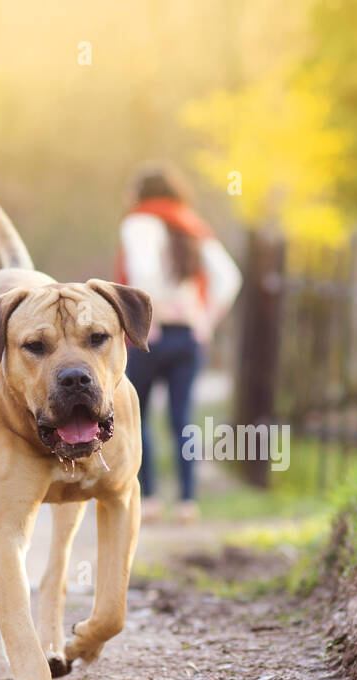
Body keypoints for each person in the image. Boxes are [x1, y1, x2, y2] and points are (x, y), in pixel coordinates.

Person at [115, 163, 242, 522]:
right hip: (188, 336)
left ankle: (150, 499)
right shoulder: (193, 225)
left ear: (141, 193)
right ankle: (188, 502)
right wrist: (207, 319)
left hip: (150, 334)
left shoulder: (139, 222)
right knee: (181, 418)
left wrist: (145, 316)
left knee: (136, 416)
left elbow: (143, 271)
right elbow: (231, 278)